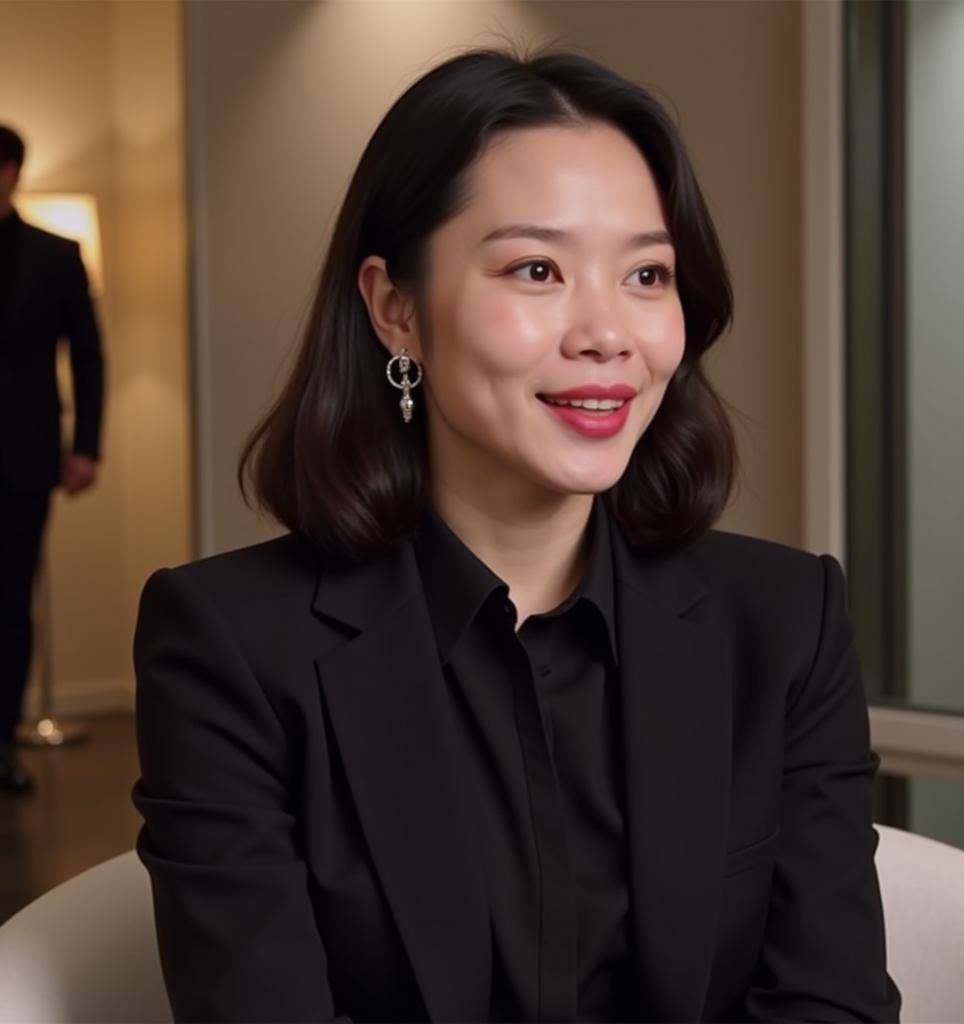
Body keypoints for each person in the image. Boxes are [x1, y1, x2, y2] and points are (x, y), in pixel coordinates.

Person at [131, 48, 901, 1023]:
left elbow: (831, 1003)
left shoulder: (786, 623)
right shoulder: (227, 645)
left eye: (647, 273)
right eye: (537, 268)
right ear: (396, 309)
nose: (606, 332)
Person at [0, 125, 104, 796]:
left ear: (12, 172)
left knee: (11, 603)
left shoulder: (57, 254)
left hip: (23, 454)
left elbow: (90, 355)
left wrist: (88, 446)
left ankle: (1, 740)